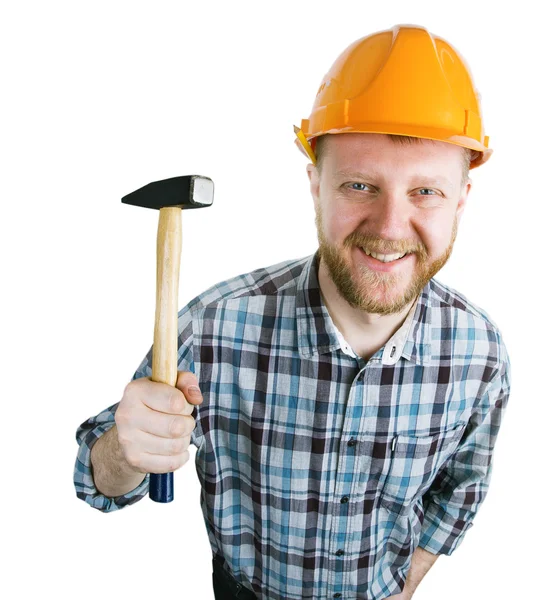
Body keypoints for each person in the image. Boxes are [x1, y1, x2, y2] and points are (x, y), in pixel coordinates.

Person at [74, 24, 511, 600]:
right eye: (360, 185)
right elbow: (96, 477)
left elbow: (461, 488)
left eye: (425, 192)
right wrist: (127, 452)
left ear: (461, 199)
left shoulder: (480, 354)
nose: (388, 227)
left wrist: (405, 587)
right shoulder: (215, 326)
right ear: (315, 185)